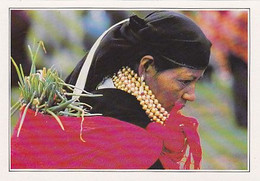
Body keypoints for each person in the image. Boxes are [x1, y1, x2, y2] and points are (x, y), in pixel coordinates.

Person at [11, 11, 211, 170]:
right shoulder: (126, 135)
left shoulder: (108, 98)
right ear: (146, 67)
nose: (191, 95)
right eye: (185, 81)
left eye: (196, 82)